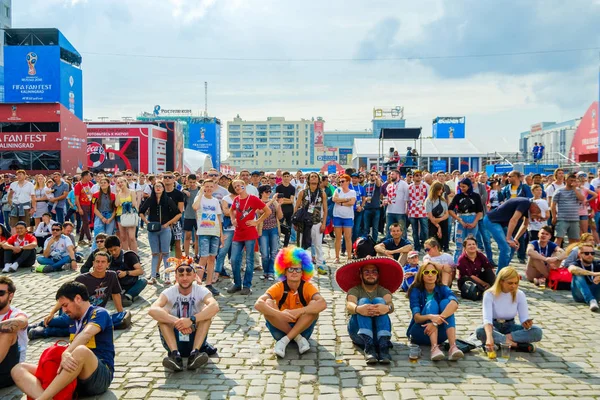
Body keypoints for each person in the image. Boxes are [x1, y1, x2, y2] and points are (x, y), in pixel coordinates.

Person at [12, 281, 115, 398]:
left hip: (98, 375)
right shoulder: (72, 318)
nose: (64, 310)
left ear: (78, 299)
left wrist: (67, 352)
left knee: (81, 351)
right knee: (18, 369)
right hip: (72, 374)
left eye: (65, 305)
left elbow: (86, 334)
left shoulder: (99, 313)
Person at [254, 247, 326, 358]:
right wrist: (279, 314)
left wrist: (300, 311)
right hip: (280, 329)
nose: (294, 272)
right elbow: (258, 304)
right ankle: (297, 338)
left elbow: (322, 303)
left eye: (298, 269)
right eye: (290, 269)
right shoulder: (279, 287)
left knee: (314, 306)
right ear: (284, 272)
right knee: (268, 302)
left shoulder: (307, 287)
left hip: (303, 329)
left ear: (303, 272)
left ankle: (284, 341)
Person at [148, 263, 220, 371]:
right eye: (181, 275)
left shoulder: (201, 291)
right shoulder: (169, 292)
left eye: (188, 274)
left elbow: (215, 306)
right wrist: (178, 322)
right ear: (176, 277)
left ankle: (194, 354)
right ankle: (175, 356)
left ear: (194, 276)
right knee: (162, 318)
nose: (185, 278)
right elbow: (152, 310)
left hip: (194, 337)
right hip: (175, 338)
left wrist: (191, 320)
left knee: (206, 317)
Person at [336, 256, 401, 364]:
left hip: (379, 334)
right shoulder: (355, 290)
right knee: (363, 301)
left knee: (380, 300)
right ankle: (369, 346)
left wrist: (386, 308)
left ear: (378, 275)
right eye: (366, 272)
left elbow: (390, 304)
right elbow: (349, 304)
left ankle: (383, 347)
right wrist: (359, 309)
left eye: (374, 272)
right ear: (361, 275)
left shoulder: (383, 291)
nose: (370, 274)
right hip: (358, 334)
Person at [475, 267, 542, 353]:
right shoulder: (489, 294)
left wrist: (526, 323)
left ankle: (500, 341)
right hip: (494, 326)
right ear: (501, 282)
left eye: (516, 283)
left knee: (537, 332)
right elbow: (487, 319)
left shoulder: (520, 294)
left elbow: (523, 318)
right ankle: (517, 345)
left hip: (510, 326)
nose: (513, 286)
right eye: (510, 283)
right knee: (480, 331)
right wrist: (489, 336)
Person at [406, 262, 464, 361]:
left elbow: (454, 304)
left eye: (433, 272)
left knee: (447, 302)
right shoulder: (416, 291)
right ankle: (434, 348)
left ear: (437, 274)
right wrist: (431, 317)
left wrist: (436, 322)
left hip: (440, 333)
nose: (430, 275)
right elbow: (417, 318)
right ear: (421, 275)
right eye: (426, 272)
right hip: (420, 331)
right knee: (432, 303)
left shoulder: (442, 288)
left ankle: (452, 347)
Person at [228, 179, 271, 295]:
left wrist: (257, 222)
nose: (237, 188)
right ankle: (237, 283)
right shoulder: (236, 199)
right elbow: (231, 210)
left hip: (250, 233)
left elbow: (267, 211)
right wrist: (233, 219)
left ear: (244, 186)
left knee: (249, 260)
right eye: (235, 186)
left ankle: (247, 285)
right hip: (238, 232)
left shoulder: (252, 198)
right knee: (233, 259)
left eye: (239, 185)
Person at [139, 181, 182, 284]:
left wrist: (168, 223)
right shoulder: (150, 199)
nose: (158, 188)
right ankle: (153, 276)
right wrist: (147, 222)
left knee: (166, 253)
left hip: (164, 229)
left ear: (163, 188)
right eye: (156, 186)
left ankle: (167, 276)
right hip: (152, 229)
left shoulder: (168, 200)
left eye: (160, 186)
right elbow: (141, 212)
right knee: (154, 253)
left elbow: (178, 214)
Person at [483, 198, 542, 272]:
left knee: (512, 247)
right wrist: (508, 239)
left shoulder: (528, 208)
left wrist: (515, 239)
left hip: (500, 223)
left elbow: (525, 225)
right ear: (535, 208)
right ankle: (500, 275)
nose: (535, 219)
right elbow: (514, 220)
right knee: (506, 247)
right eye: (536, 217)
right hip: (491, 220)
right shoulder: (525, 203)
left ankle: (503, 270)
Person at [192, 179, 224, 296]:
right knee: (203, 258)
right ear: (203, 187)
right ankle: (198, 285)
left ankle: (209, 284)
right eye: (207, 186)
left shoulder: (216, 201)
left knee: (212, 258)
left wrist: (221, 234)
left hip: (214, 232)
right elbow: (195, 207)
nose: (209, 188)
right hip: (204, 232)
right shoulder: (199, 198)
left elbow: (219, 218)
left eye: (211, 186)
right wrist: (200, 193)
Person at [294, 172, 328, 274]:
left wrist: (324, 223)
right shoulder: (302, 192)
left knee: (318, 245)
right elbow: (296, 206)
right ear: (308, 180)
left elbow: (325, 210)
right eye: (311, 177)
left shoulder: (322, 193)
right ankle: (301, 266)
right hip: (303, 223)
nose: (313, 178)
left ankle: (320, 265)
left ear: (318, 180)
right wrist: (295, 221)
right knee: (301, 245)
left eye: (315, 177)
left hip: (317, 222)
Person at [0, 276, 28, 389]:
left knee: (8, 331)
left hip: (8, 370)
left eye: (0, 293)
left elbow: (21, 321)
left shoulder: (16, 314)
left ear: (10, 295)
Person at [448, 178, 483, 263]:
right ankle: (456, 264)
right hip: (461, 219)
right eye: (460, 187)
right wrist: (459, 220)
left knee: (471, 244)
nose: (462, 188)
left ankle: (471, 263)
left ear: (469, 186)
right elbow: (450, 209)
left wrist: (474, 222)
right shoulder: (458, 196)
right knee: (459, 244)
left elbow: (480, 211)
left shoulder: (476, 196)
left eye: (464, 187)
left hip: (473, 218)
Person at [105, 235, 147, 306]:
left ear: (120, 246)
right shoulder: (109, 258)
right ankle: (127, 296)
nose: (114, 253)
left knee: (143, 281)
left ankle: (127, 296)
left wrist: (126, 273)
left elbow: (140, 271)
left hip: (131, 283)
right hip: (117, 285)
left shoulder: (129, 255)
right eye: (111, 251)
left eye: (115, 249)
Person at [552, 173, 586, 247]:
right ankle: (553, 255)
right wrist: (554, 216)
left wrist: (575, 190)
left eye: (574, 180)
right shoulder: (559, 191)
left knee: (574, 240)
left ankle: (570, 255)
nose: (573, 182)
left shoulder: (578, 190)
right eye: (571, 180)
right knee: (558, 238)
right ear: (566, 180)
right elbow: (553, 204)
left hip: (574, 219)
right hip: (562, 218)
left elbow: (582, 199)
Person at [258, 185, 283, 281]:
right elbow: (260, 211)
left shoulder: (274, 202)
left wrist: (279, 205)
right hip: (262, 229)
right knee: (264, 253)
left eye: (269, 191)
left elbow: (280, 217)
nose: (268, 193)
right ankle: (265, 272)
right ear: (261, 193)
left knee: (273, 252)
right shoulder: (259, 202)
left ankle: (271, 272)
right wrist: (272, 200)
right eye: (266, 191)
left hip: (273, 229)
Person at [567, 243, 600, 311]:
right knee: (578, 275)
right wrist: (593, 274)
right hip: (579, 295)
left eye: (592, 253)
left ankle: (593, 300)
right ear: (579, 254)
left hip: (595, 293)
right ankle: (591, 300)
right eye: (586, 253)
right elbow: (572, 269)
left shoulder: (596, 264)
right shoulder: (576, 263)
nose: (590, 255)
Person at [332, 174, 356, 263]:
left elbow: (352, 202)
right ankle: (337, 257)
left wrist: (341, 201)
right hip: (337, 215)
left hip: (348, 217)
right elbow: (334, 199)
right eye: (340, 181)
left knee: (348, 237)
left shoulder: (352, 192)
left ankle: (349, 257)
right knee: (338, 237)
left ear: (348, 182)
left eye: (343, 181)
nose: (341, 183)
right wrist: (346, 200)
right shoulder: (337, 189)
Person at [163, 172, 186, 259]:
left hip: (176, 222)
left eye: (170, 177)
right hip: (163, 222)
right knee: (163, 247)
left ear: (174, 179)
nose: (167, 179)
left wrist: (172, 222)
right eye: (165, 177)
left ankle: (179, 265)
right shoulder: (159, 192)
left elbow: (180, 211)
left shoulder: (179, 194)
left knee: (177, 245)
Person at [407, 170, 429, 252]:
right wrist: (407, 210)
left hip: (423, 211)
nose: (418, 177)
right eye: (416, 175)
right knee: (414, 231)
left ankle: (426, 247)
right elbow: (407, 199)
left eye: (420, 175)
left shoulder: (425, 186)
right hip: (412, 211)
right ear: (413, 177)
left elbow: (428, 198)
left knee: (425, 230)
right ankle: (417, 247)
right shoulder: (409, 187)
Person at [383, 170, 409, 240]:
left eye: (392, 174)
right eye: (390, 175)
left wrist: (407, 208)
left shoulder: (404, 184)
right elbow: (387, 196)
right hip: (390, 211)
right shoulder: (389, 185)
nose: (390, 176)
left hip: (400, 211)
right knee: (389, 230)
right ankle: (389, 245)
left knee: (402, 229)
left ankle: (404, 245)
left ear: (397, 175)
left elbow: (407, 197)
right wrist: (385, 201)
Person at [115, 177, 139, 252]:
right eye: (118, 183)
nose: (120, 184)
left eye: (121, 182)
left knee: (132, 237)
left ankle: (135, 255)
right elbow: (116, 204)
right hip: (120, 215)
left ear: (125, 182)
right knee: (123, 237)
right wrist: (118, 193)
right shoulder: (118, 193)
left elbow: (134, 203)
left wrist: (123, 204)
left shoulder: (131, 192)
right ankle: (125, 255)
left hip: (130, 214)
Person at [91, 178, 117, 248]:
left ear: (108, 184)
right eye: (101, 183)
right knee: (98, 236)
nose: (102, 184)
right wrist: (102, 218)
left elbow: (115, 209)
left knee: (109, 236)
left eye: (104, 182)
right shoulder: (95, 195)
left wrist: (111, 218)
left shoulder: (113, 195)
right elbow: (94, 208)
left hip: (110, 216)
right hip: (100, 215)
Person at [425, 182, 450, 252]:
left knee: (443, 237)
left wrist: (439, 219)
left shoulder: (443, 200)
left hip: (442, 221)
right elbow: (430, 216)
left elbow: (447, 214)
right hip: (432, 222)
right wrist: (438, 227)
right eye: (439, 189)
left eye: (442, 189)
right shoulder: (429, 201)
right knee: (433, 239)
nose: (441, 191)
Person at [182, 174, 200, 258]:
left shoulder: (199, 190)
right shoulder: (185, 190)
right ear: (187, 181)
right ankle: (186, 254)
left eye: (193, 182)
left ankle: (196, 254)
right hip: (188, 215)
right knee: (187, 236)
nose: (192, 184)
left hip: (198, 216)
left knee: (197, 236)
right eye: (190, 182)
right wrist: (184, 191)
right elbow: (179, 190)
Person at [276, 171, 296, 248]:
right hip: (280, 209)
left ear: (290, 177)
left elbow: (291, 200)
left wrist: (283, 199)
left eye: (288, 176)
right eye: (285, 176)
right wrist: (286, 200)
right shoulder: (279, 187)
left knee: (289, 228)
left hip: (289, 209)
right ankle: (277, 243)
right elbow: (278, 199)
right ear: (282, 177)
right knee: (278, 226)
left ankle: (286, 245)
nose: (286, 178)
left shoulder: (292, 188)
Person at [74, 170, 94, 245]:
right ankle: (89, 239)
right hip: (82, 205)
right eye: (89, 176)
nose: (90, 177)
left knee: (85, 222)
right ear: (84, 176)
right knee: (86, 222)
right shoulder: (78, 185)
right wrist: (79, 208)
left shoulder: (90, 184)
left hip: (90, 205)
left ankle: (80, 239)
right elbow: (76, 198)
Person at [363, 170, 383, 242]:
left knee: (375, 228)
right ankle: (365, 242)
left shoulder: (377, 184)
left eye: (374, 175)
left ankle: (374, 242)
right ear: (368, 176)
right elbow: (363, 197)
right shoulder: (365, 185)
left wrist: (376, 178)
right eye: (371, 175)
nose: (372, 176)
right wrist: (365, 199)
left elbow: (378, 184)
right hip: (367, 208)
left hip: (376, 208)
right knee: (366, 228)